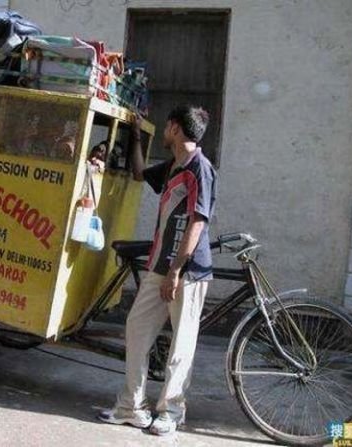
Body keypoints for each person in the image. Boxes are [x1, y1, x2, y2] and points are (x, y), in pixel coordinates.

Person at [98, 105, 217, 436]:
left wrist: (176, 271)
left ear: (176, 129)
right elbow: (139, 173)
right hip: (159, 265)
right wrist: (135, 136)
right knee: (137, 329)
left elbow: (198, 221)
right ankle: (131, 407)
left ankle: (171, 411)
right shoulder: (173, 167)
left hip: (187, 272)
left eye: (166, 127)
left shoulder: (199, 169)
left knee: (181, 345)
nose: (164, 132)